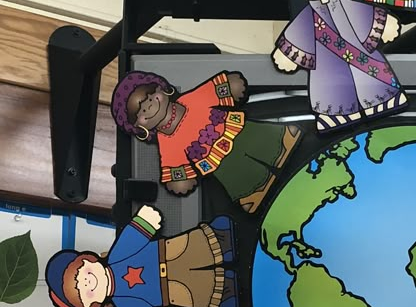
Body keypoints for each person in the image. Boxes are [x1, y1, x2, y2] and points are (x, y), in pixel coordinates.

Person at [111, 69, 301, 214]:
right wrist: (180, 181)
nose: (150, 106)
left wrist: (230, 86)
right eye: (142, 111)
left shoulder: (191, 100)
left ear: (163, 89)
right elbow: (175, 167)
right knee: (234, 176)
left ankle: (283, 141)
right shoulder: (167, 144)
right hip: (217, 162)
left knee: (260, 136)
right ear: (140, 128)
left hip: (235, 130)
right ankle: (252, 193)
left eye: (151, 96)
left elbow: (214, 91)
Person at [45, 206, 237, 307]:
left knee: (194, 245)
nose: (86, 282)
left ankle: (221, 239)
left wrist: (144, 222)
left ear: (89, 260)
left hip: (167, 252)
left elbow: (133, 237)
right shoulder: (122, 300)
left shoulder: (117, 256)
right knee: (196, 292)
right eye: (80, 291)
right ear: (91, 305)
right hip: (169, 291)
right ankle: (225, 291)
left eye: (80, 273)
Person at [272, 0, 408, 133]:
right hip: (328, 68)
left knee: (375, 92)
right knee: (334, 97)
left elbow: (365, 16)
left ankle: (380, 103)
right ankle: (339, 114)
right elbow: (298, 33)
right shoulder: (306, 17)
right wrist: (286, 54)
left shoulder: (348, 4)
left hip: (361, 63)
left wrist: (386, 25)